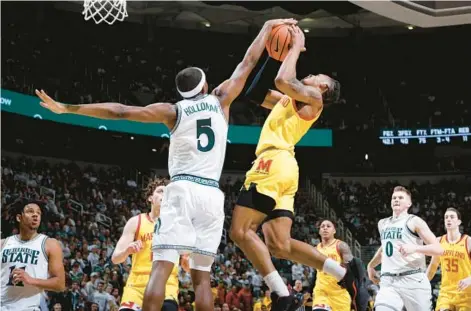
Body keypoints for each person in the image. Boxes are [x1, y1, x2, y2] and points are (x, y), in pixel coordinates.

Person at [36, 17, 298, 311]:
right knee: (202, 278)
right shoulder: (221, 99)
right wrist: (266, 28)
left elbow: (120, 111)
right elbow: (248, 61)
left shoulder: (172, 111)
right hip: (212, 194)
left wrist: (69, 108)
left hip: (183, 189)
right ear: (205, 85)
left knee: (161, 266)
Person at [229, 25, 367, 311]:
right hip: (284, 167)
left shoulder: (314, 99)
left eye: (317, 77)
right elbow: (254, 92)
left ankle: (281, 293)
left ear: (323, 88)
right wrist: (271, 53)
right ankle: (345, 275)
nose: (312, 75)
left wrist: (295, 47)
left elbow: (283, 79)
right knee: (279, 244)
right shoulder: (290, 100)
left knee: (240, 232)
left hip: (272, 163)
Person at [112, 178, 188, 311]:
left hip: (166, 284)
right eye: (160, 191)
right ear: (150, 198)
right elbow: (115, 258)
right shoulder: (135, 222)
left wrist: (188, 264)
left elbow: (188, 267)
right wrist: (127, 251)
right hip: (137, 286)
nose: (164, 196)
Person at [367, 186, 444, 311]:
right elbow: (385, 247)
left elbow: (438, 249)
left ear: (409, 203)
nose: (396, 200)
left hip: (413, 279)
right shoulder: (382, 223)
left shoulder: (414, 221)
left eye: (400, 198)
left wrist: (415, 248)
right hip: (388, 281)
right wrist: (371, 265)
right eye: (394, 198)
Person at [1, 200, 66, 311]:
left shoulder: (50, 244)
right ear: (19, 217)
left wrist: (31, 280)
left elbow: (60, 284)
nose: (35, 215)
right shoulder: (3, 243)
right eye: (30, 211)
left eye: (38, 213)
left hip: (28, 308)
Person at [426, 207, 471, 311]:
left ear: (459, 221)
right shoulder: (439, 241)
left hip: (466, 294)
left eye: (452, 217)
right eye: (446, 217)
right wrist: (422, 284)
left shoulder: (468, 241)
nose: (448, 219)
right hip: (446, 293)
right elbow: (433, 267)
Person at [312, 220, 352, 311]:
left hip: (340, 294)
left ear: (334, 230)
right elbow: (315, 273)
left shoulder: (341, 246)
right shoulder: (315, 249)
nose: (325, 228)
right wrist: (308, 290)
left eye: (328, 226)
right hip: (321, 292)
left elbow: (351, 268)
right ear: (319, 231)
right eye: (322, 226)